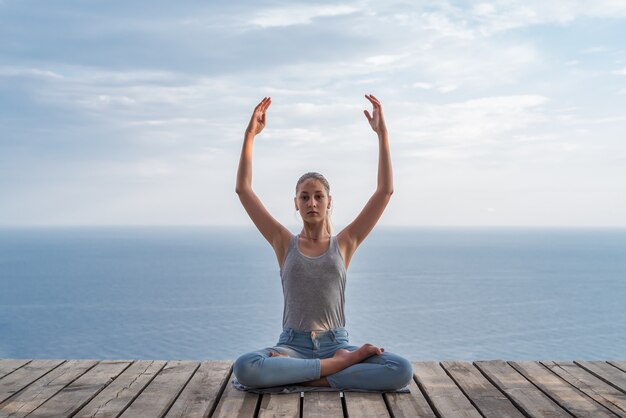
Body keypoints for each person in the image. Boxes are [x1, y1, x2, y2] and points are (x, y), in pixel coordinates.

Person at [233, 95, 413, 390]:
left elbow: (385, 192)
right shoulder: (283, 242)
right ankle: (340, 368)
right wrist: (249, 135)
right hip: (293, 347)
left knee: (401, 369)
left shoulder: (345, 243)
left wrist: (382, 134)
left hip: (335, 343)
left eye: (318, 196)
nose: (312, 202)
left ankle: (311, 376)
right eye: (304, 197)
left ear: (329, 203)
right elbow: (243, 190)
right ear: (296, 203)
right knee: (246, 367)